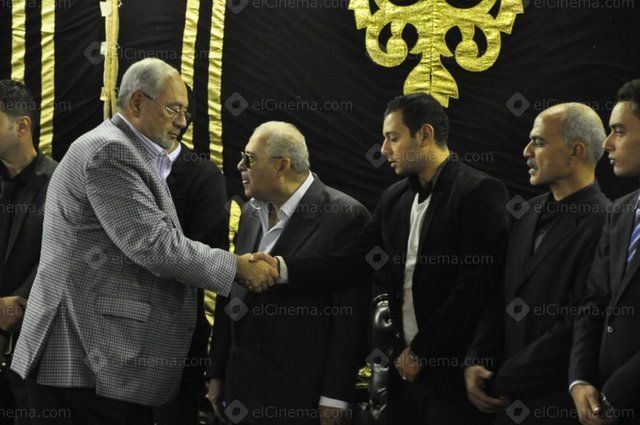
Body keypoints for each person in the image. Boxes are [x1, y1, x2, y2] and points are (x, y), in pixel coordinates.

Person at [9, 58, 276, 425]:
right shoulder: (110, 152)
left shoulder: (116, 146)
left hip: (90, 358)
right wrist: (237, 267)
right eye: (173, 109)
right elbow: (153, 244)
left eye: (184, 112)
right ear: (137, 103)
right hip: (81, 359)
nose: (182, 121)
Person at [254, 93, 509, 425]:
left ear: (425, 135)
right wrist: (281, 268)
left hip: (457, 379)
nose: (384, 149)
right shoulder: (394, 198)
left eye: (393, 137)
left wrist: (423, 351)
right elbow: (351, 262)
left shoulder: (479, 191)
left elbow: (475, 289)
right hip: (403, 381)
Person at [207, 121, 370, 425]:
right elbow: (231, 293)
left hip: (301, 398)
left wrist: (335, 396)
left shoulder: (345, 216)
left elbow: (349, 319)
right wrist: (216, 372)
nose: (240, 166)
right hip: (240, 391)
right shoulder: (250, 213)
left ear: (281, 165)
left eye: (249, 158)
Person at [465, 103, 609, 425]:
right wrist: (478, 359)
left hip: (558, 407)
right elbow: (499, 295)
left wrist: (504, 377)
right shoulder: (524, 214)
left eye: (539, 142)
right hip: (505, 406)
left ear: (575, 151)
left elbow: (579, 322)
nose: (526, 151)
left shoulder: (607, 222)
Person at [570, 80, 640, 425]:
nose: (607, 143)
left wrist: (615, 396)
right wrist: (580, 380)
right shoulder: (620, 211)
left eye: (619, 131)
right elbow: (594, 302)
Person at [153, 131, 230, 424]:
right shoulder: (116, 166)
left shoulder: (204, 175)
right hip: (113, 344)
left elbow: (208, 257)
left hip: (176, 342)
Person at [0, 80, 57, 425]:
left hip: (37, 350)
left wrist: (16, 305)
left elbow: (60, 256)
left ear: (22, 126)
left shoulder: (61, 182)